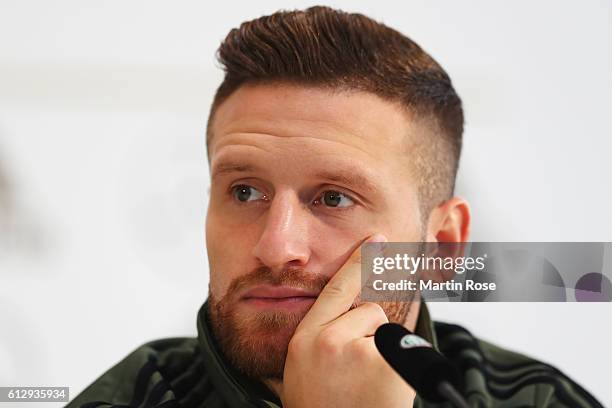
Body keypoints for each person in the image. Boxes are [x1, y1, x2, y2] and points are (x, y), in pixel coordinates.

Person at [67, 6, 603, 408]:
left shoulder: (539, 400)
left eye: (335, 198)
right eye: (244, 192)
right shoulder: (129, 398)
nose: (276, 245)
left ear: (440, 246)